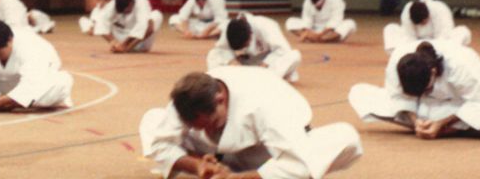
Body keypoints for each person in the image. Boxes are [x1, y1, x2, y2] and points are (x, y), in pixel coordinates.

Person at [139, 67, 362, 179]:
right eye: (197, 127)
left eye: (210, 124)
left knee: (346, 136)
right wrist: (198, 164)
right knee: (152, 119)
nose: (206, 131)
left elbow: (295, 160)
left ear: (220, 99)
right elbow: (159, 143)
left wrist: (240, 178)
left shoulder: (264, 103)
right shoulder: (188, 98)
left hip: (268, 155)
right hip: (221, 155)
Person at [348, 40, 480, 139]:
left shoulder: (462, 65)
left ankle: (453, 130)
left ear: (433, 72)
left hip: (458, 110)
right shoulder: (398, 60)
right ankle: (431, 128)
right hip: (420, 110)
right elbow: (397, 97)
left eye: (425, 88)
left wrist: (442, 123)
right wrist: (415, 120)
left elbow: (479, 103)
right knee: (358, 92)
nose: (423, 93)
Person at [0, 20, 73, 113]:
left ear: (10, 41)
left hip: (39, 85)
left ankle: (11, 103)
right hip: (4, 89)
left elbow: (31, 84)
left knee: (63, 81)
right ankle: (8, 102)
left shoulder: (31, 47)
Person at [208, 13, 301, 82]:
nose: (244, 48)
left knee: (294, 55)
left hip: (268, 65)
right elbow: (222, 49)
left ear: (251, 34)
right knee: (213, 54)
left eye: (245, 45)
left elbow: (283, 49)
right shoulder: (229, 28)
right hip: (249, 64)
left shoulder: (265, 25)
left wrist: (263, 65)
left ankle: (267, 80)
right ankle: (224, 80)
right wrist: (233, 62)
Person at [382, 0, 471, 54]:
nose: (422, 25)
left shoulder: (440, 9)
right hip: (416, 45)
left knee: (463, 32)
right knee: (390, 29)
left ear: (428, 15)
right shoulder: (407, 12)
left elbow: (444, 35)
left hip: (439, 44)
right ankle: (400, 57)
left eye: (424, 22)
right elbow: (408, 36)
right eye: (419, 24)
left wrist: (433, 50)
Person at [94, 0, 163, 53]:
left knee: (156, 15)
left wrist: (127, 47)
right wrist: (114, 42)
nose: (124, 14)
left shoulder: (141, 1)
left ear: (131, 4)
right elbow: (101, 22)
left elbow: (145, 27)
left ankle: (129, 48)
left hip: (139, 42)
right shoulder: (114, 3)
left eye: (126, 11)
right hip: (121, 38)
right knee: (105, 20)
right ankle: (121, 46)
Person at [285, 0, 356, 43]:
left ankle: (323, 40)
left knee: (351, 24)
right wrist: (306, 31)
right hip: (314, 29)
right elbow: (307, 19)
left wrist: (320, 35)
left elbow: (336, 20)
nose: (317, 7)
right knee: (290, 22)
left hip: (331, 31)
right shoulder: (307, 0)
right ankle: (319, 39)